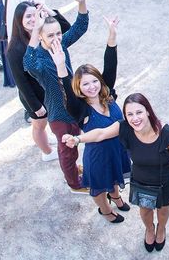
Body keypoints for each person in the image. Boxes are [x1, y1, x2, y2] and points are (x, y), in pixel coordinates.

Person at [63, 93, 169, 252]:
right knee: (145, 211)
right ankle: (150, 229)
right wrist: (77, 139)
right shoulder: (124, 127)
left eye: (139, 112)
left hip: (164, 181)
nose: (135, 118)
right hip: (141, 180)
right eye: (129, 114)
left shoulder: (168, 134)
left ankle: (161, 229)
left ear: (148, 112)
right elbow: (100, 133)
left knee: (163, 209)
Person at [54, 17, 131, 222]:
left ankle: (115, 196)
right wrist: (61, 66)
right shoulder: (79, 108)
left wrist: (112, 35)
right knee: (99, 187)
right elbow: (66, 89)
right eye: (85, 84)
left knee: (115, 178)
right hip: (98, 156)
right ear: (78, 88)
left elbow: (110, 64)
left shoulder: (108, 94)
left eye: (94, 81)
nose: (92, 87)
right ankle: (105, 210)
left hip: (117, 148)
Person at [23, 0, 89, 193]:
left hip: (74, 105)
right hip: (60, 115)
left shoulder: (60, 44)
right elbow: (28, 63)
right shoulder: (40, 60)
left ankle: (73, 171)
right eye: (50, 35)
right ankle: (74, 184)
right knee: (66, 151)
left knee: (73, 146)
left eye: (58, 34)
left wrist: (81, 1)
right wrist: (35, 30)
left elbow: (80, 27)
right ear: (41, 37)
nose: (56, 39)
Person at [7, 1, 71, 160]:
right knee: (39, 125)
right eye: (27, 16)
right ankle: (47, 152)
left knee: (49, 122)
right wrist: (35, 105)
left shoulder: (44, 33)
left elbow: (67, 28)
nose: (32, 19)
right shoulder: (15, 48)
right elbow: (20, 81)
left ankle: (46, 138)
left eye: (34, 14)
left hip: (49, 90)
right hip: (35, 96)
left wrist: (49, 11)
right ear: (19, 20)